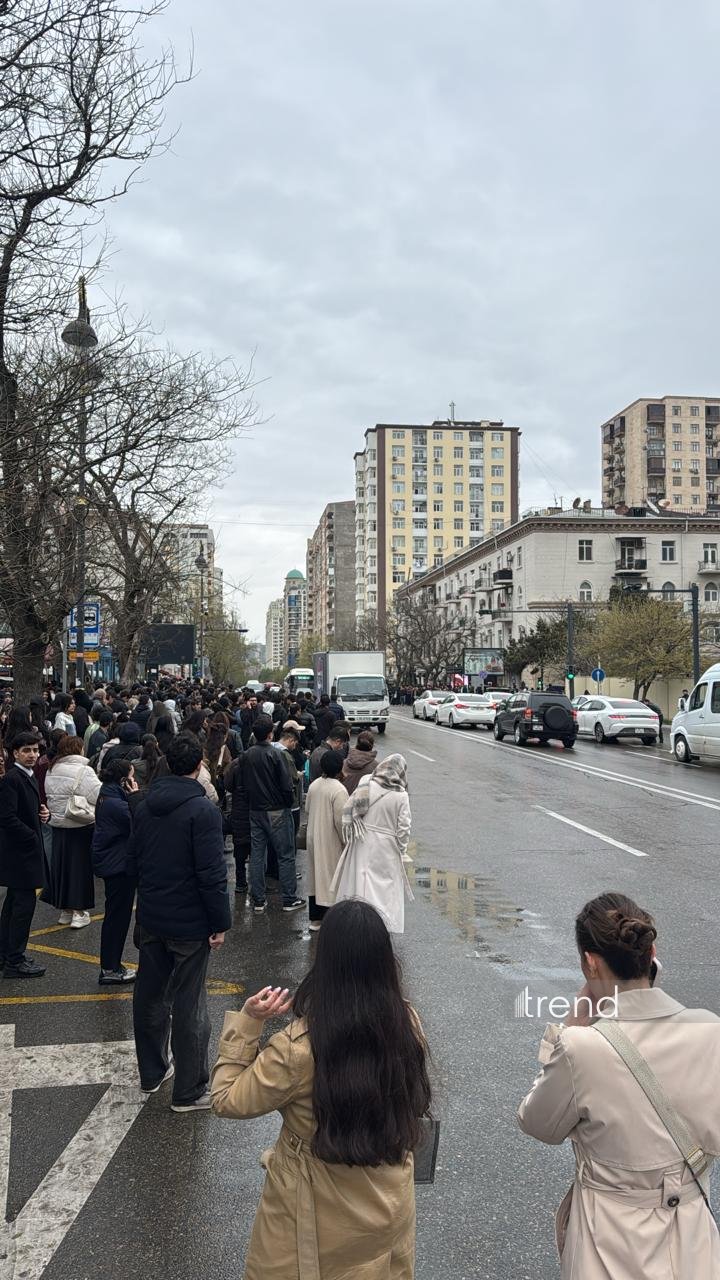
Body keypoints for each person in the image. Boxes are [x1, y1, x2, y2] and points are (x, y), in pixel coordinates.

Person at [210, 899, 432, 1279]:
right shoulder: (405, 1020)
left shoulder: (299, 1049)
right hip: (389, 1202)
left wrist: (248, 1022)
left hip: (312, 1210)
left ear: (324, 961)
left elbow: (226, 1098)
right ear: (384, 960)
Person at [517, 892, 720, 1277]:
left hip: (607, 1243)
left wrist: (572, 1024)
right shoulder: (709, 1029)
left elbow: (535, 1121)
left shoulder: (582, 1048)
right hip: (691, 1239)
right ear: (651, 951)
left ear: (590, 963)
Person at [128, 733, 231, 1112]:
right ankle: (189, 1090)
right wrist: (220, 922)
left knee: (150, 996)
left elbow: (135, 858)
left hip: (152, 915)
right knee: (190, 1005)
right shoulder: (202, 811)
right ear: (199, 765)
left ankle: (152, 1071)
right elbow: (211, 874)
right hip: (189, 924)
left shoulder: (143, 805)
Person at [332, 755, 412, 935]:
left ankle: (356, 923)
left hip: (362, 837)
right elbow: (404, 828)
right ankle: (381, 925)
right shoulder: (401, 795)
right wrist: (401, 848)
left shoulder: (366, 781)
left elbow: (351, 805)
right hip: (386, 845)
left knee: (360, 880)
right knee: (385, 887)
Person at [242, 717, 304, 915]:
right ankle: (289, 898)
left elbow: (242, 785)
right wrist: (287, 803)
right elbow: (287, 785)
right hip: (277, 809)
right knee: (285, 854)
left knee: (258, 854)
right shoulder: (276, 754)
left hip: (255, 809)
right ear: (270, 734)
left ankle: (258, 899)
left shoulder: (246, 755)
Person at [0, 733, 50, 977]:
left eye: (35, 750)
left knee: (13, 905)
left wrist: (42, 814)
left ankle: (6, 953)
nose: (32, 755)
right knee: (22, 908)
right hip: (20, 855)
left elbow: (22, 810)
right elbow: (6, 817)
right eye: (26, 750)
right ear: (15, 753)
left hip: (22, 853)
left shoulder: (25, 776)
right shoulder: (13, 778)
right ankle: (15, 960)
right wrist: (31, 835)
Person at [42, 735, 101, 928]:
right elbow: (98, 794)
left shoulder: (52, 768)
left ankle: (65, 910)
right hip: (80, 824)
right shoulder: (84, 770)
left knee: (62, 867)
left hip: (58, 823)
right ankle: (79, 911)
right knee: (80, 869)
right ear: (79, 749)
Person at [91, 758, 138, 984]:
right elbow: (138, 821)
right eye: (131, 777)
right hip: (118, 866)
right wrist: (135, 796)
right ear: (123, 781)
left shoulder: (106, 795)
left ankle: (112, 965)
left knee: (115, 917)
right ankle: (110, 968)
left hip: (113, 863)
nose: (134, 780)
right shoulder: (117, 804)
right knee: (117, 919)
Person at [305, 750, 347, 932]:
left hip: (313, 835)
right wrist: (346, 840)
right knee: (330, 877)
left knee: (315, 876)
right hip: (330, 838)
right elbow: (341, 820)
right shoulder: (338, 789)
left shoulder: (315, 785)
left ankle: (315, 919)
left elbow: (307, 808)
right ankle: (331, 919)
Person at [341, 730, 378, 795]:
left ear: (357, 744)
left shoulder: (344, 763)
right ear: (372, 745)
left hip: (344, 798)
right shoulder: (376, 767)